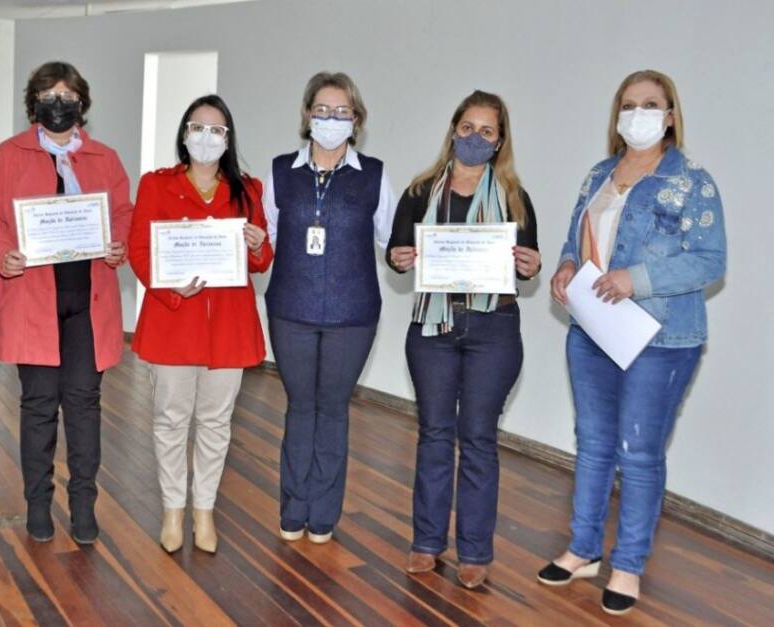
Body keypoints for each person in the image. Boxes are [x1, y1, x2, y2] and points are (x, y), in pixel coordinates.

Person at [538, 70, 726, 616]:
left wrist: (635, 279)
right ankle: (583, 548)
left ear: (670, 116)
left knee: (638, 452)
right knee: (593, 442)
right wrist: (566, 266)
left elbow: (710, 261)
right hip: (593, 330)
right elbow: (576, 236)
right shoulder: (599, 173)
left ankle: (628, 565)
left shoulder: (692, 181)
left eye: (649, 104)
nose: (636, 113)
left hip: (661, 338)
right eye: (628, 104)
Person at [0, 61, 133, 545]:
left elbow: (123, 213)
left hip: (88, 303)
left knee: (84, 404)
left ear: (82, 104)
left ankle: (83, 504)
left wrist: (119, 244)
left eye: (68, 96)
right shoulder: (6, 155)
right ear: (33, 103)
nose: (58, 104)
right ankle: (38, 504)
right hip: (32, 301)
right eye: (48, 95)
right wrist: (2, 254)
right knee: (39, 404)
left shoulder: (106, 158)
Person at [386, 90, 540, 588]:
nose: (475, 137)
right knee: (434, 433)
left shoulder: (514, 197)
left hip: (493, 330)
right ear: (453, 130)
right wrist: (399, 258)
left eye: (487, 131)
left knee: (478, 438)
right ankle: (427, 542)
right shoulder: (420, 190)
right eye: (468, 127)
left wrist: (530, 264)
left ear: (500, 141)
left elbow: (528, 262)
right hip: (432, 329)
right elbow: (396, 250)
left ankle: (474, 552)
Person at [128, 95, 272, 553]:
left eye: (216, 130)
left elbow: (262, 260)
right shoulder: (156, 184)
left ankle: (204, 510)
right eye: (198, 127)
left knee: (215, 422)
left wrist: (257, 243)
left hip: (228, 325)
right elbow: (139, 251)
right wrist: (169, 288)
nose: (206, 137)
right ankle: (174, 509)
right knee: (170, 419)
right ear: (184, 133)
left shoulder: (249, 190)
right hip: (173, 320)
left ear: (228, 138)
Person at [263, 72, 395, 544]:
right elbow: (266, 239)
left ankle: (323, 513)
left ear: (356, 120)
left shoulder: (375, 175)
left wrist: (423, 254)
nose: (331, 119)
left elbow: (394, 242)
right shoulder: (281, 171)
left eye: (342, 111)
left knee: (334, 410)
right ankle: (293, 507)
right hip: (290, 311)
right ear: (306, 115)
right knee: (300, 407)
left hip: (352, 316)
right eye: (322, 110)